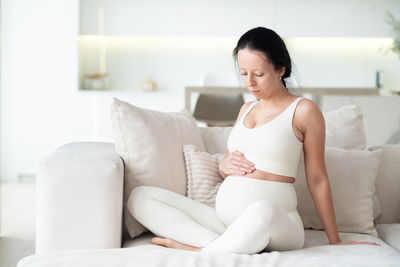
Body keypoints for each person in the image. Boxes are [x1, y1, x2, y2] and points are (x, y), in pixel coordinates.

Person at [128, 27, 380, 254]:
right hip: (225, 220)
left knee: (263, 210)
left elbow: (317, 178)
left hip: (277, 223)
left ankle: (199, 250)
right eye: (244, 73)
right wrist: (223, 166)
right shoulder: (246, 109)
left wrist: (334, 240)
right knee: (140, 197)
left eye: (258, 73)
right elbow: (235, 161)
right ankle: (223, 243)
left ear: (280, 69)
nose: (249, 82)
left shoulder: (303, 110)